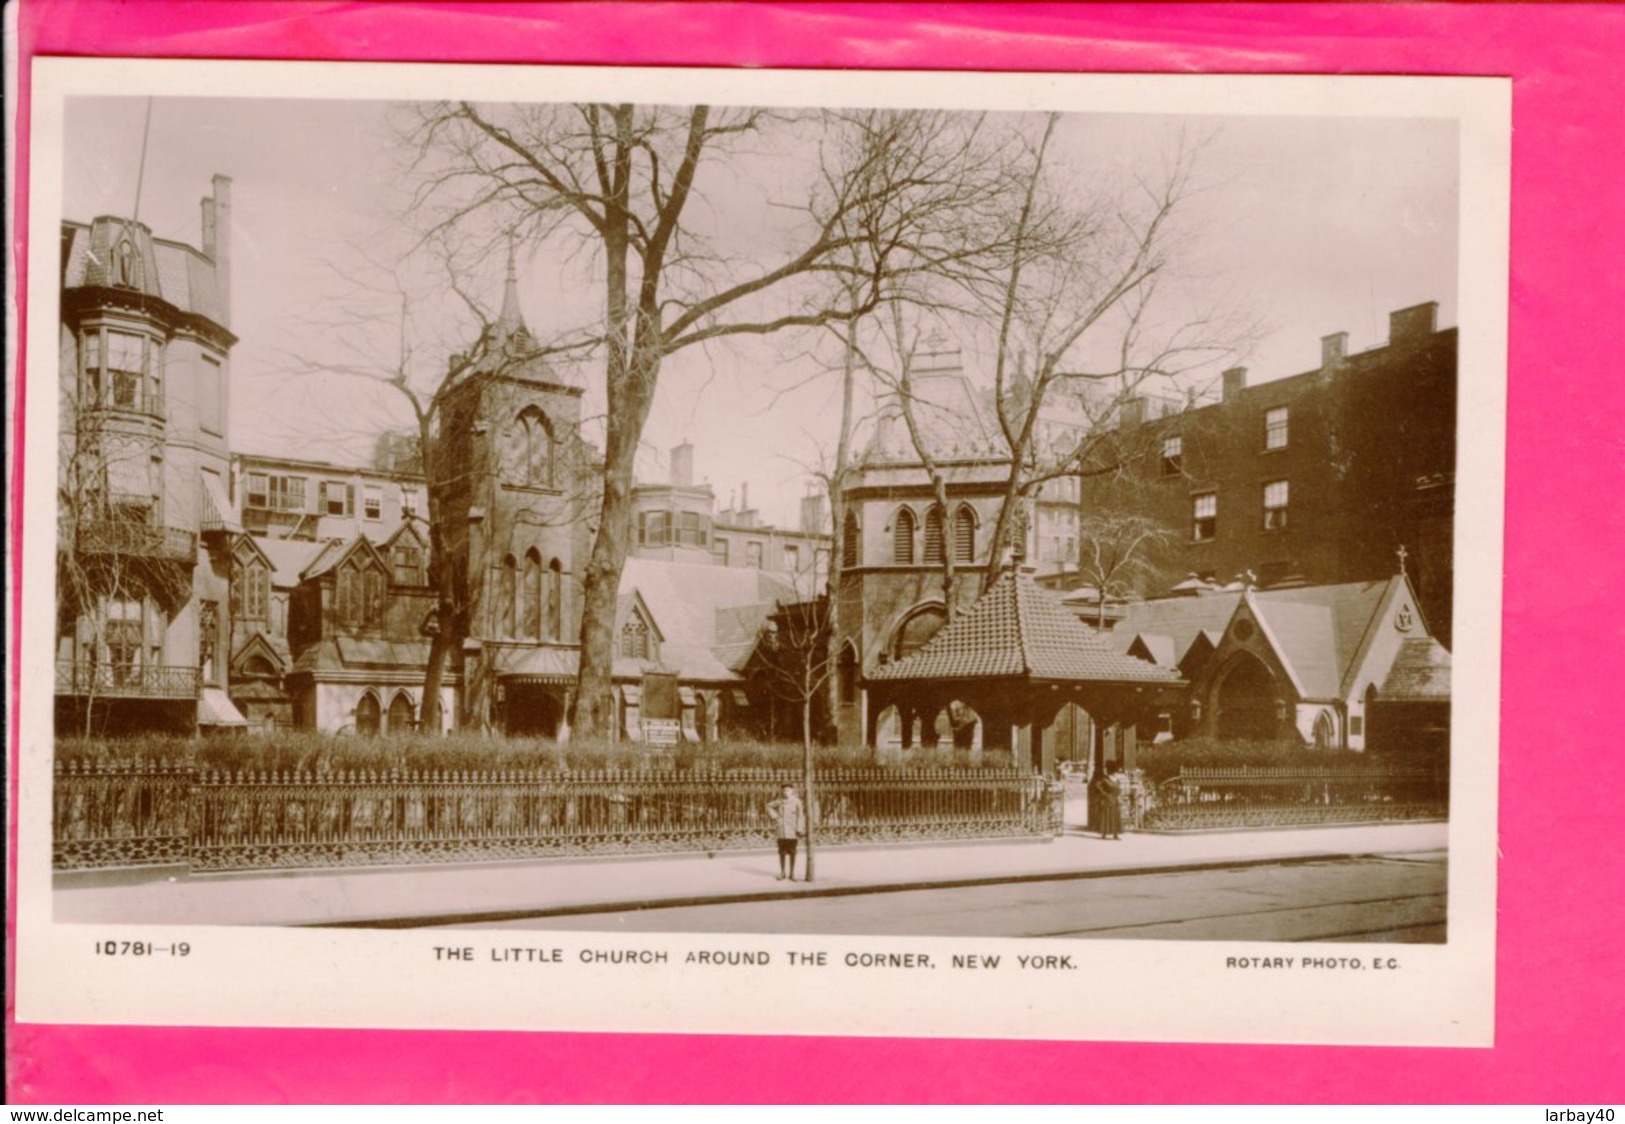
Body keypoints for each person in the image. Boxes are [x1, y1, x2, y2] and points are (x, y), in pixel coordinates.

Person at [766, 783, 807, 881]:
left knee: (793, 852)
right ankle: (782, 872)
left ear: (792, 791)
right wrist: (775, 817)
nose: (786, 792)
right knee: (782, 852)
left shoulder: (797, 802)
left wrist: (799, 829)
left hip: (792, 831)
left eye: (788, 790)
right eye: (784, 790)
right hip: (781, 831)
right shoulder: (780, 801)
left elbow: (800, 816)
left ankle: (792, 873)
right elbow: (768, 806)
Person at [1090, 769, 1123, 840]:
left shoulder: (1117, 780)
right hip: (1107, 800)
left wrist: (1118, 793)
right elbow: (1097, 785)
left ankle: (1115, 834)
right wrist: (1104, 793)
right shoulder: (1105, 779)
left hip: (1115, 799)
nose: (1116, 774)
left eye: (1116, 772)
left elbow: (1119, 788)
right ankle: (1104, 833)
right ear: (1111, 773)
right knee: (1106, 816)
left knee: (1115, 817)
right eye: (1114, 772)